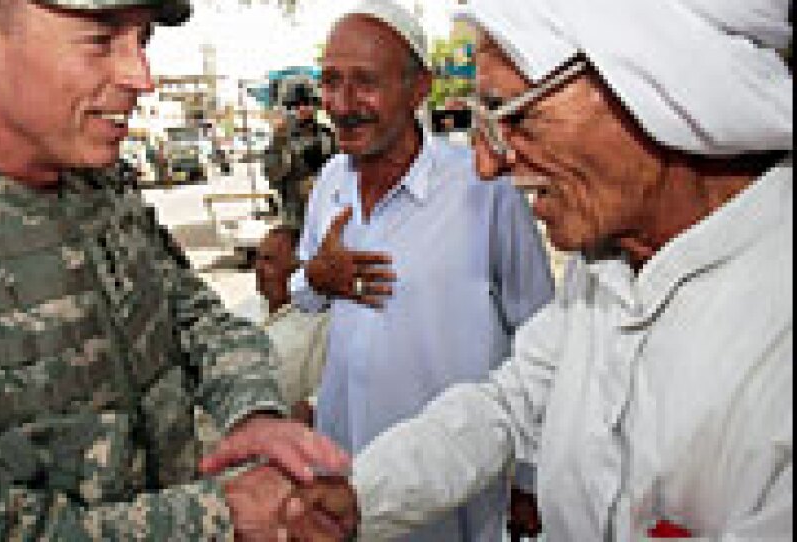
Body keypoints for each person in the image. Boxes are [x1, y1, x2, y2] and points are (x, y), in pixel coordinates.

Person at [204, 0, 793, 539]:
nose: (488, 163)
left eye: (517, 118)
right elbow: (509, 405)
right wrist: (358, 495)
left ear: (657, 88)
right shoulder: (605, 271)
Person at [0, 0, 356, 539]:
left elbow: (194, 316)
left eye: (142, 40)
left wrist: (254, 416)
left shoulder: (102, 187)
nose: (142, 77)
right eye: (101, 39)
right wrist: (219, 518)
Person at [266, 1, 555, 540]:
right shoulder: (330, 181)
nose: (342, 104)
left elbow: (538, 331)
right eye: (330, 82)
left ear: (419, 87)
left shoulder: (481, 188)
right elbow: (304, 294)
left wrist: (532, 474)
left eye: (365, 83)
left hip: (448, 486)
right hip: (341, 472)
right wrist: (317, 280)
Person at [255, 226, 331, 425]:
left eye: (269, 260)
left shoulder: (321, 322)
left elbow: (330, 389)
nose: (258, 268)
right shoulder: (245, 310)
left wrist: (311, 407)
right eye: (258, 258)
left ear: (297, 269)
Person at [263, 79, 337, 233]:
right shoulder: (282, 138)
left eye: (307, 103)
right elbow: (272, 173)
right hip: (296, 215)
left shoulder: (328, 135)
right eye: (297, 105)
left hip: (327, 211)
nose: (303, 108)